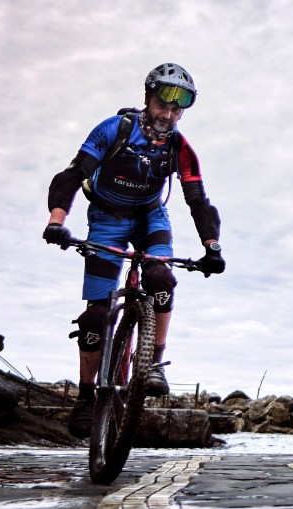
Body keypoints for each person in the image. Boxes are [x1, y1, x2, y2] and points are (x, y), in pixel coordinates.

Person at [43, 63, 226, 439]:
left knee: (161, 278)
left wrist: (212, 247)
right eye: (164, 105)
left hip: (150, 217)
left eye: (178, 110)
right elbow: (73, 175)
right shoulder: (114, 130)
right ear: (148, 99)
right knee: (95, 319)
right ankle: (85, 397)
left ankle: (154, 364)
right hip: (107, 219)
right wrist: (57, 221)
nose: (169, 115)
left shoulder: (179, 147)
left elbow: (197, 200)